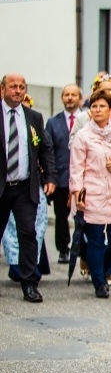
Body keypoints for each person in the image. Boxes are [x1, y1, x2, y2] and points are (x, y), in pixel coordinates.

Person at [69, 90, 111, 298]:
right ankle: (99, 282)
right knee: (96, 241)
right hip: (93, 194)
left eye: (102, 106)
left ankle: (102, 269)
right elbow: (76, 168)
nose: (97, 110)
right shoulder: (83, 136)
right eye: (94, 106)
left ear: (110, 110)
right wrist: (77, 195)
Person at [0, 73, 56, 302]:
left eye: (22, 87)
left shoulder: (34, 117)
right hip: (1, 186)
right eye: (13, 86)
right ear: (2, 89)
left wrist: (50, 176)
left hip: (24, 187)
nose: (18, 90)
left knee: (28, 234)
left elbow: (45, 149)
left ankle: (29, 284)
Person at [45, 84, 83, 264]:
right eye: (66, 95)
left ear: (79, 98)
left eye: (73, 95)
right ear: (62, 98)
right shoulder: (53, 122)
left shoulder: (87, 119)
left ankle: (82, 249)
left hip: (83, 178)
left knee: (82, 216)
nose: (70, 98)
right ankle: (63, 248)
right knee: (61, 215)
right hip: (61, 178)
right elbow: (48, 149)